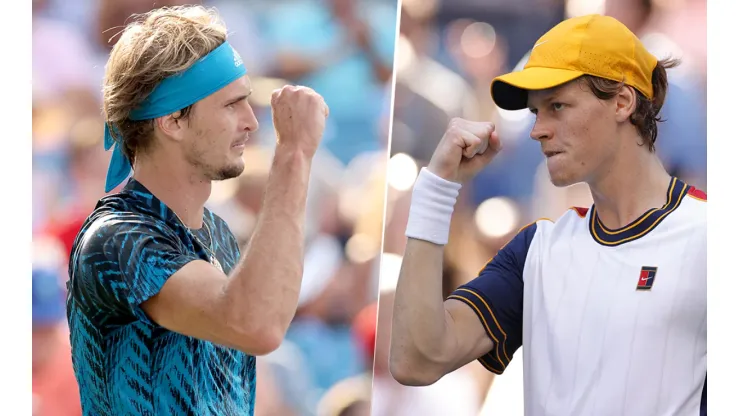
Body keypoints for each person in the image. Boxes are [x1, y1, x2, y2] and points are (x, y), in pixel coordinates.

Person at [389, 14, 706, 416]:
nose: (538, 129)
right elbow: (414, 359)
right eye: (537, 112)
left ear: (623, 102)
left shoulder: (713, 237)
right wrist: (435, 189)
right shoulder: (535, 251)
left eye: (557, 105)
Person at [65, 5, 328, 415]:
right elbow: (256, 324)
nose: (251, 122)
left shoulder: (218, 232)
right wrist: (293, 154)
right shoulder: (116, 239)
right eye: (231, 105)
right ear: (172, 120)